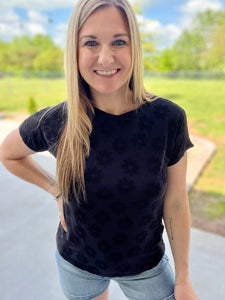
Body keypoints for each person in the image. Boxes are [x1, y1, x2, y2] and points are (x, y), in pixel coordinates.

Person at [0, 0, 199, 299]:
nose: (105, 58)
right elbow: (9, 153)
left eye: (119, 41)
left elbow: (176, 203)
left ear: (135, 48)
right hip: (77, 265)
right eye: (91, 42)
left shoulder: (168, 119)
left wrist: (183, 279)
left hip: (146, 267)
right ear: (75, 50)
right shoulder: (58, 121)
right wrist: (55, 189)